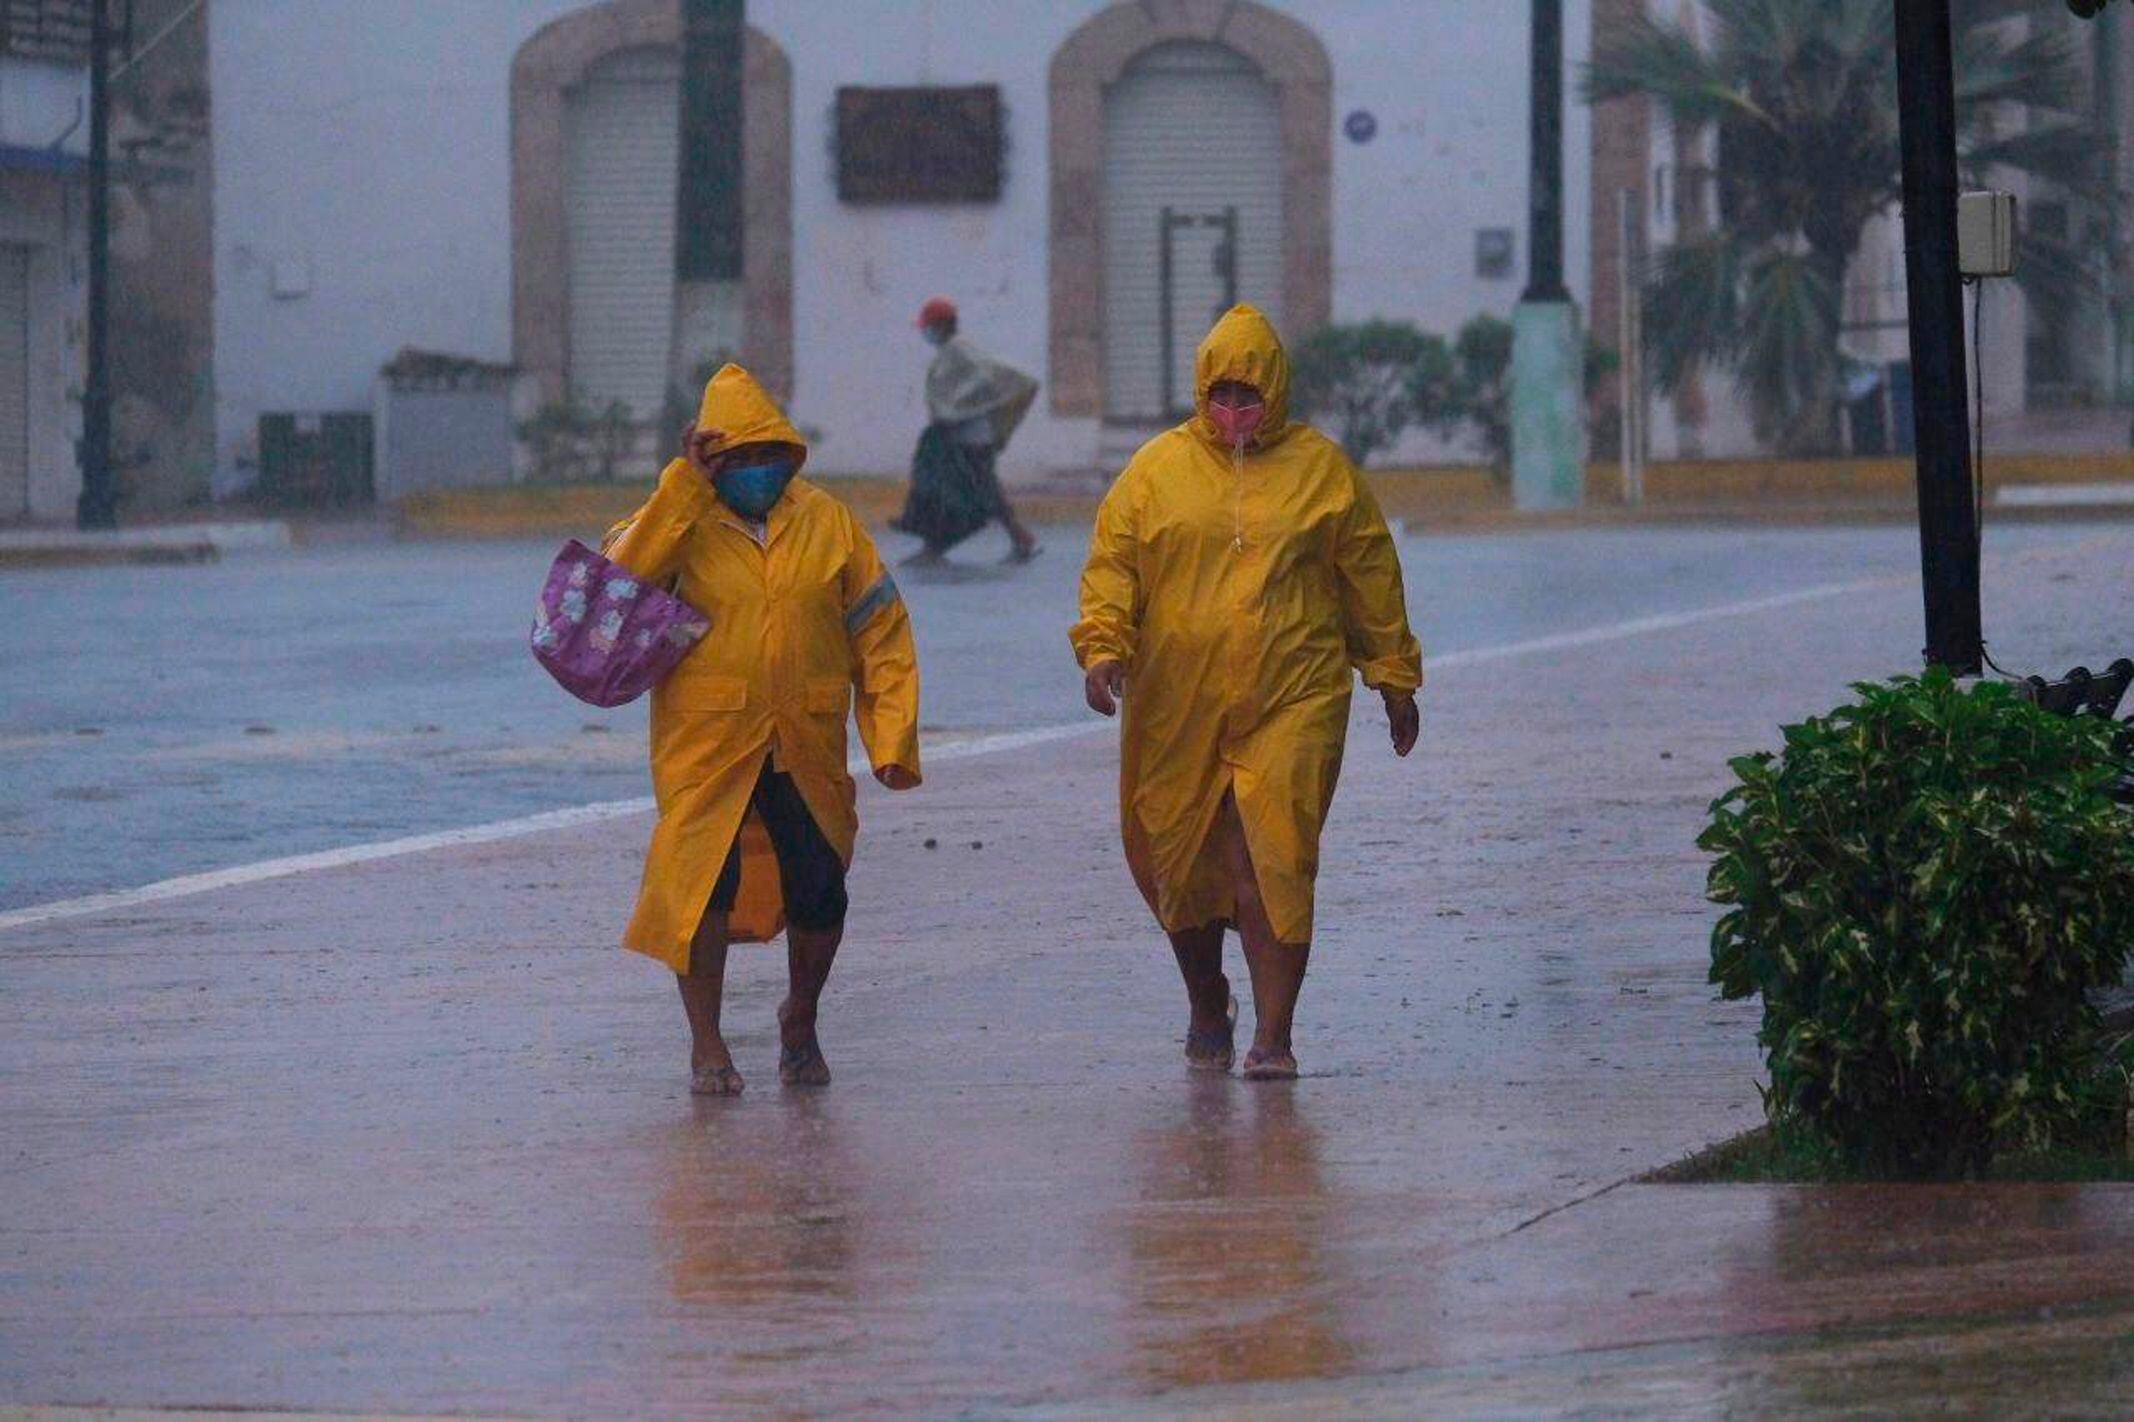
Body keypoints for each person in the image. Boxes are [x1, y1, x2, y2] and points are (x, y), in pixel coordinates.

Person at [1070, 304, 1422, 1081]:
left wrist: (1393, 677)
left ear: (1277, 391)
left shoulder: (1323, 473)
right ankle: (1206, 998)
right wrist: (1103, 650)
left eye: (1249, 394)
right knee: (1178, 861)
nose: (1235, 411)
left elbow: (1370, 576)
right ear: (1201, 392)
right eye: (1222, 394)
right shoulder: (1154, 473)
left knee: (1274, 857)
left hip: (1293, 697)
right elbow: (1112, 569)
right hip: (1176, 702)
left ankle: (1274, 1035)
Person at [603, 363, 921, 1096]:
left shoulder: (827, 521)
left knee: (821, 889)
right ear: (710, 459)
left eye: (763, 456)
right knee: (701, 891)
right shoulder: (679, 515)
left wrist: (892, 735)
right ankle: (707, 1043)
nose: (753, 472)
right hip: (708, 742)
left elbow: (879, 626)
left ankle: (800, 1017)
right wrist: (683, 488)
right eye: (735, 459)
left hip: (803, 739)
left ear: (787, 450)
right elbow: (622, 582)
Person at [892, 296, 1042, 565]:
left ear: (939, 325)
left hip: (969, 438)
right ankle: (1019, 538)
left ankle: (935, 548)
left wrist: (959, 409)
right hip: (965, 436)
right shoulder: (953, 351)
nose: (926, 333)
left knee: (954, 490)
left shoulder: (959, 351)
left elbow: (984, 380)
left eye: (928, 326)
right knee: (979, 489)